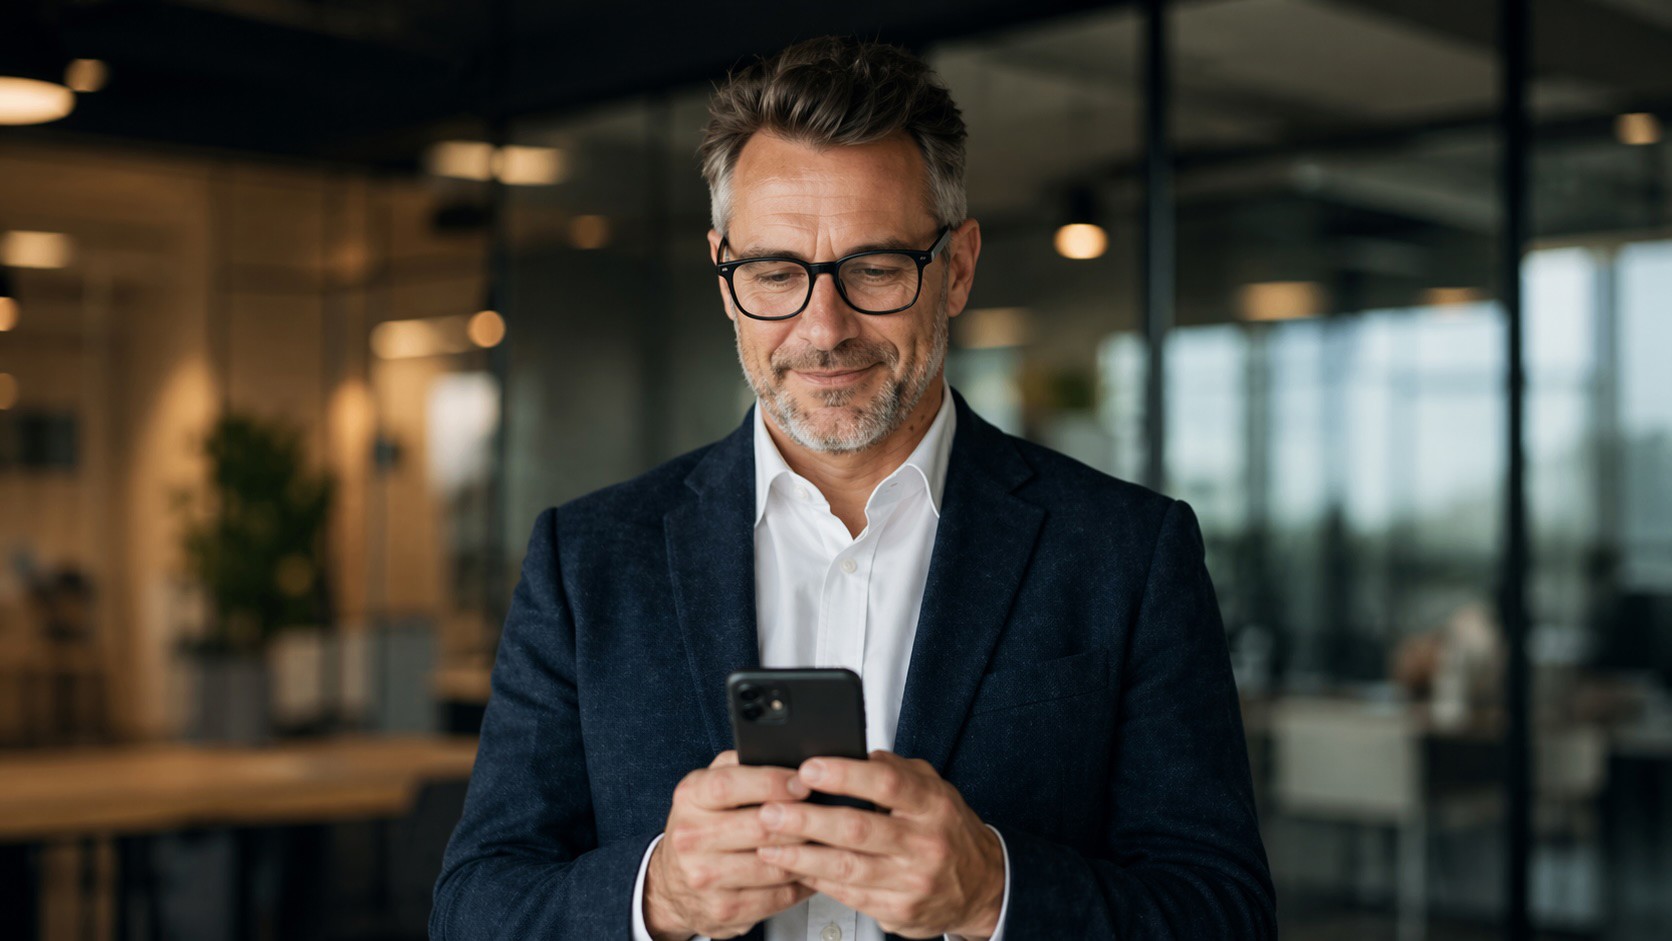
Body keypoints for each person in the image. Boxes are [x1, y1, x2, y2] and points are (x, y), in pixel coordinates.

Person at [431, 36, 1273, 941]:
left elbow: (1224, 915)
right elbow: (474, 908)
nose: (822, 328)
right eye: (774, 273)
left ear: (957, 267)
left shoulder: (1127, 552)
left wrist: (994, 890)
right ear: (724, 275)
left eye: (873, 268)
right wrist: (659, 897)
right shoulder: (586, 559)